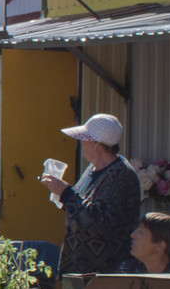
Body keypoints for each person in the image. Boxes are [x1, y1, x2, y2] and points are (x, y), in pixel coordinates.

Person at [40, 113, 142, 275]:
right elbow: (81, 208)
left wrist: (65, 192)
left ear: (96, 143)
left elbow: (99, 223)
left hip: (102, 274)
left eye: (83, 138)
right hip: (78, 267)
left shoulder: (121, 176)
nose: (80, 142)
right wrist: (61, 195)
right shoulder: (92, 168)